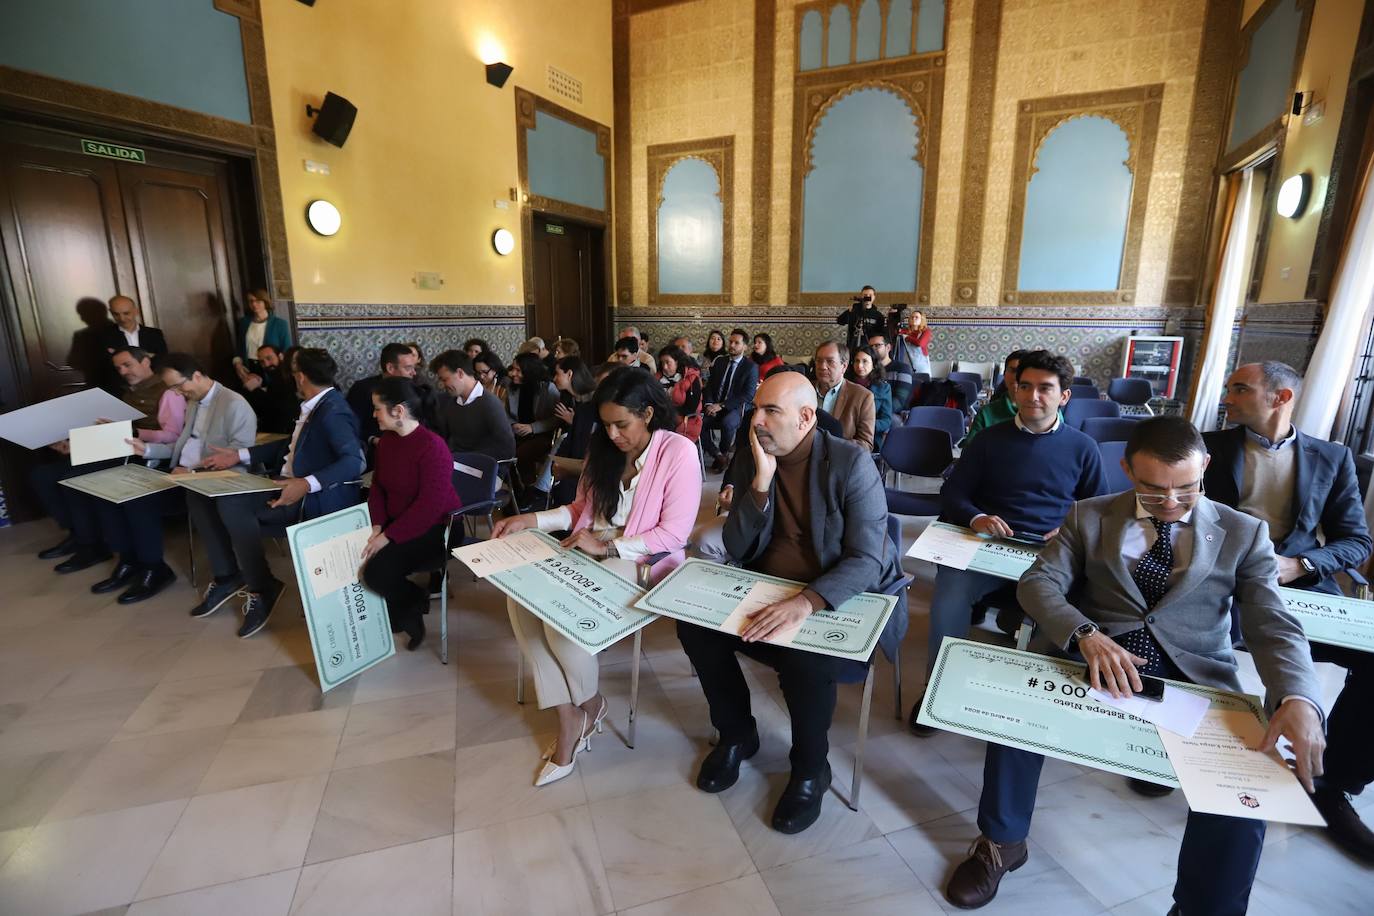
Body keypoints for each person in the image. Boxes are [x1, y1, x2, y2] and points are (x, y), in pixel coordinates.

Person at [946, 416, 1325, 914]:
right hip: (1091, 658)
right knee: (1015, 717)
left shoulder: (1243, 532)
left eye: (1186, 488)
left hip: (1191, 674)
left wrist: (1299, 696)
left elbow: (1273, 623)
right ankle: (1002, 841)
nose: (1170, 502)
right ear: (1127, 470)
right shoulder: (1089, 515)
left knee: (1244, 784)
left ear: (1206, 467)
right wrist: (1085, 634)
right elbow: (1039, 583)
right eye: (1153, 488)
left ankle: (1202, 907)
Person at [678, 371, 907, 834]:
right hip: (769, 588)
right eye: (755, 409)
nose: (756, 420)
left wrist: (806, 602)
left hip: (838, 597)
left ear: (805, 418)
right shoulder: (754, 456)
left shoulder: (850, 463)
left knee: (805, 660)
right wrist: (761, 484)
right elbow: (738, 546)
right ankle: (737, 734)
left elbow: (867, 559)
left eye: (770, 411)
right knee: (694, 626)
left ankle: (810, 768)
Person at [492, 368, 701, 786]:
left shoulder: (677, 451)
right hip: (591, 547)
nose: (612, 434)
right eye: (606, 424)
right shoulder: (603, 447)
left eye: (621, 424)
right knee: (522, 600)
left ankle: (586, 707)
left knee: (563, 625)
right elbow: (579, 511)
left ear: (647, 414)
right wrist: (531, 519)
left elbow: (674, 534)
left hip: (644, 560)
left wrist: (607, 547)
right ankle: (573, 712)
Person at [1202, 361, 1374, 860]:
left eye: (1240, 388)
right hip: (1218, 581)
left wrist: (1301, 564)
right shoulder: (1208, 447)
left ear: (1280, 398)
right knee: (1175, 639)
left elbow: (1355, 540)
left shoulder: (1333, 457)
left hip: (1297, 583)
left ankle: (1331, 785)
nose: (1227, 397)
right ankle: (1165, 756)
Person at [911, 350, 1108, 733]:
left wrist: (1069, 528)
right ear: (1014, 390)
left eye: (1045, 388)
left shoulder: (1083, 447)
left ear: (1064, 396)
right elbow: (954, 494)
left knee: (1070, 603)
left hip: (1049, 553)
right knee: (949, 590)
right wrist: (977, 517)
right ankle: (939, 688)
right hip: (988, 545)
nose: (1034, 396)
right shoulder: (988, 440)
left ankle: (1028, 702)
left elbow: (1097, 508)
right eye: (1026, 386)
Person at [193, 347, 365, 638]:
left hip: (312, 497)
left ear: (300, 377)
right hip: (285, 483)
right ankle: (227, 576)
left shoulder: (333, 411)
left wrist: (306, 484)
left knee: (232, 505)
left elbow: (354, 462)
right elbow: (290, 445)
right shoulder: (316, 405)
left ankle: (262, 586)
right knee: (201, 494)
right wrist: (238, 455)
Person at [99, 352, 255, 602]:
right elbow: (183, 447)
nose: (177, 393)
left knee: (139, 501)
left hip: (209, 481)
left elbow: (237, 461)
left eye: (178, 386)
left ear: (196, 376)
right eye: (172, 388)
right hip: (181, 474)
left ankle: (154, 569)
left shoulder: (234, 404)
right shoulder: (194, 401)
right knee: (115, 493)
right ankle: (129, 561)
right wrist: (147, 450)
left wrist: (192, 474)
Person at [36, 346, 187, 566]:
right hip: (119, 447)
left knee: (75, 479)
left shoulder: (169, 391)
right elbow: (115, 431)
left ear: (146, 362)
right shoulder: (128, 392)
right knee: (44, 475)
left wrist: (133, 433)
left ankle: (91, 543)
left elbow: (173, 435)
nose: (123, 371)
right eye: (118, 368)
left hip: (143, 453)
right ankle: (79, 535)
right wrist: (76, 445)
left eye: (127, 365)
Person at [361, 377, 462, 651]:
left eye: (377, 408)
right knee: (358, 556)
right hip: (398, 522)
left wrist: (387, 537)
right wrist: (377, 525)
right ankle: (401, 606)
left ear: (399, 411)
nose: (374, 415)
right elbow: (378, 487)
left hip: (438, 529)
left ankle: (413, 601)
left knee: (377, 572)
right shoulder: (387, 442)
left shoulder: (433, 447)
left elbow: (428, 507)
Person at [429, 349, 516, 461]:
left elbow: (507, 448)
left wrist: (465, 459)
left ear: (460, 373)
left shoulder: (490, 404)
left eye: (445, 379)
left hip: (482, 465)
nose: (442, 384)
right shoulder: (448, 401)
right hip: (455, 462)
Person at [504, 351, 560, 499]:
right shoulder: (512, 387)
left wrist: (532, 428)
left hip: (542, 434)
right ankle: (515, 489)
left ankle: (529, 491)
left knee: (522, 453)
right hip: (517, 432)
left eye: (518, 370)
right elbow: (507, 413)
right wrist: (513, 425)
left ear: (529, 371)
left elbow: (557, 418)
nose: (513, 373)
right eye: (513, 369)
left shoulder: (548, 388)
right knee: (502, 450)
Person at [701, 329, 758, 471]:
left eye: (736, 343)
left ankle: (724, 451)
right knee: (698, 423)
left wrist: (722, 405)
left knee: (727, 423)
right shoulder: (720, 361)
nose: (732, 345)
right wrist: (709, 404)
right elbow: (709, 386)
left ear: (745, 347)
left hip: (735, 407)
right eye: (731, 342)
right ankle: (719, 455)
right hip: (714, 405)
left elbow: (748, 395)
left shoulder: (750, 367)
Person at [545, 355, 599, 504]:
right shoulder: (568, 398)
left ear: (569, 374)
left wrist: (573, 421)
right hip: (573, 453)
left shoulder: (593, 402)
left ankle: (541, 489)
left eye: (557, 374)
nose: (554, 379)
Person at [346, 343, 421, 447]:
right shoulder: (363, 389)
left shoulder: (414, 388)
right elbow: (350, 427)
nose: (414, 373)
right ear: (390, 368)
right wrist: (373, 440)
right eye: (408, 368)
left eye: (414, 368)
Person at [812, 341, 875, 451]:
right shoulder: (803, 389)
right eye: (819, 361)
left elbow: (866, 444)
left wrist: (832, 445)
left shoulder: (863, 397)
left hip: (839, 457)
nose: (822, 366)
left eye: (830, 361)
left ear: (844, 366)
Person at [97, 295, 167, 393]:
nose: (122, 318)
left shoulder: (154, 334)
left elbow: (163, 359)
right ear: (111, 313)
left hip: (153, 387)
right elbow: (102, 367)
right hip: (120, 390)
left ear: (136, 311)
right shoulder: (102, 336)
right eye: (116, 314)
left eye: (126, 313)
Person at [963, 349, 1029, 445]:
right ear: (1004, 375)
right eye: (1013, 370)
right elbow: (970, 449)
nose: (1016, 376)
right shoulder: (986, 413)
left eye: (1022, 371)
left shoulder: (1042, 413)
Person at [238, 343, 300, 435]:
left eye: (269, 358)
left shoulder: (286, 377)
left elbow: (274, 409)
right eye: (262, 362)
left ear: (280, 356)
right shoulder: (276, 377)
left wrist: (255, 389)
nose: (266, 364)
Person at [848, 346, 891, 449]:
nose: (860, 365)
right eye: (857, 361)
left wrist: (866, 426)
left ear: (874, 364)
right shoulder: (846, 384)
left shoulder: (883, 388)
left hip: (871, 436)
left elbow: (886, 420)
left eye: (865, 361)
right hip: (846, 434)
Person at [657, 345, 702, 442]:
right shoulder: (658, 377)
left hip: (685, 419)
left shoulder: (691, 379)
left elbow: (691, 408)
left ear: (677, 362)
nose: (664, 367)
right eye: (662, 363)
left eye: (668, 362)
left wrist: (666, 410)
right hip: (662, 415)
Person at [234, 288, 291, 362]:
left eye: (258, 301)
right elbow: (239, 348)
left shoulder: (280, 324)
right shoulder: (244, 322)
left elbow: (287, 350)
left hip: (270, 366)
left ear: (265, 302)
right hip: (249, 365)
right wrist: (237, 363)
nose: (254, 304)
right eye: (251, 301)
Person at [867, 331, 914, 412]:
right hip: (869, 411)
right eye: (870, 347)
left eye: (877, 345)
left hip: (894, 413)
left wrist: (875, 412)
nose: (873, 349)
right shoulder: (868, 368)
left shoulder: (903, 368)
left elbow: (899, 401)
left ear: (888, 347)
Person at [835, 286, 885, 353]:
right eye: (865, 295)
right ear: (861, 297)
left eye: (870, 295)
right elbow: (840, 321)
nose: (867, 297)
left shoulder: (878, 315)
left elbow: (880, 334)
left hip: (870, 348)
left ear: (874, 297)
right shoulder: (854, 310)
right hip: (852, 347)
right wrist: (848, 312)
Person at [897, 308, 933, 376]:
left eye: (916, 317)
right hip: (907, 361)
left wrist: (907, 337)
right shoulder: (905, 331)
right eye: (912, 317)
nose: (914, 318)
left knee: (923, 379)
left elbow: (920, 343)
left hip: (921, 363)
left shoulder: (926, 331)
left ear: (921, 320)